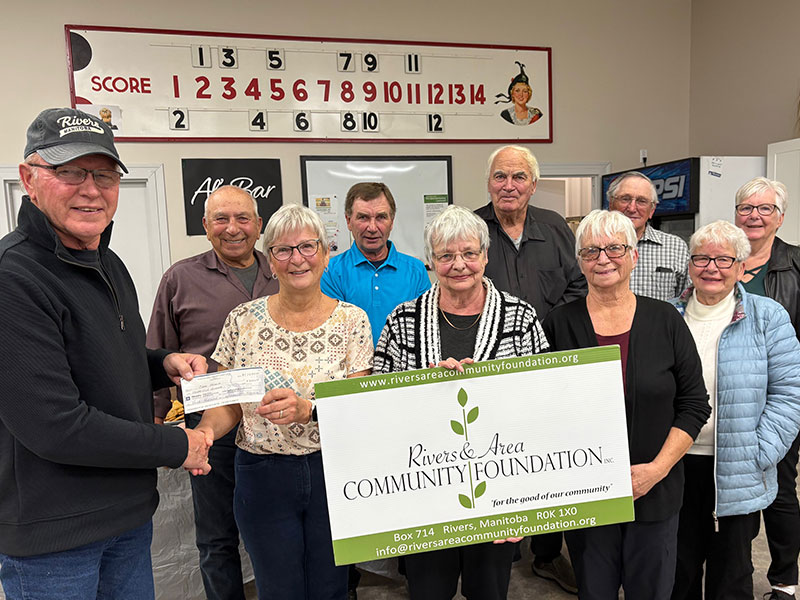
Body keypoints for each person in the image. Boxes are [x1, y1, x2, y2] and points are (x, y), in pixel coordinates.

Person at [0, 107, 211, 600]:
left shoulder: (107, 261)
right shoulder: (14, 278)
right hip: (56, 539)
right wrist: (176, 445)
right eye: (71, 172)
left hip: (127, 519)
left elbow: (103, 359)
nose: (91, 190)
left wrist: (162, 363)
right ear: (30, 179)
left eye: (104, 175)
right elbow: (55, 425)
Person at [194, 204, 373, 600]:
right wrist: (205, 431)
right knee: (278, 589)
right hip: (262, 473)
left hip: (332, 471)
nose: (297, 259)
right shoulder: (242, 320)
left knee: (331, 588)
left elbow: (357, 406)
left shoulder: (353, 321)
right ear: (270, 261)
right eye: (283, 250)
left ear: (325, 254)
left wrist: (308, 410)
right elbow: (227, 402)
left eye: (308, 247)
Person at [374, 205, 549, 600]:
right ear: (431, 260)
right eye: (446, 255)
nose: (459, 265)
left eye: (469, 253)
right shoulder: (403, 321)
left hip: (498, 492)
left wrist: (527, 501)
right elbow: (380, 406)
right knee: (427, 592)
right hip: (423, 493)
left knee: (489, 592)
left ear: (485, 256)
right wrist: (428, 388)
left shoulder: (520, 317)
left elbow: (542, 406)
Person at [543, 209, 709, 600]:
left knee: (651, 591)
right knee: (594, 591)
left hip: (655, 492)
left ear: (634, 255)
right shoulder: (558, 324)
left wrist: (656, 470)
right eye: (591, 250)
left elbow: (694, 405)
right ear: (579, 261)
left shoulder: (666, 320)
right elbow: (539, 410)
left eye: (615, 248)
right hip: (587, 495)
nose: (603, 259)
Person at [146, 185, 279, 600]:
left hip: (275, 425)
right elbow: (158, 349)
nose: (232, 228)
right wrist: (155, 419)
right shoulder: (180, 279)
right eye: (221, 219)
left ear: (259, 225)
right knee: (216, 536)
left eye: (243, 218)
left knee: (275, 530)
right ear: (205, 226)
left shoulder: (283, 271)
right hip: (210, 426)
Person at [668, 220, 800, 600]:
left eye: (724, 259)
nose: (712, 267)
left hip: (739, 466)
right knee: (678, 569)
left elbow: (789, 393)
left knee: (732, 575)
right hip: (675, 464)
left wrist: (759, 452)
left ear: (742, 267)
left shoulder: (767, 316)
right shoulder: (667, 316)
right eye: (702, 258)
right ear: (690, 265)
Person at [475, 144, 586, 593]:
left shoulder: (556, 227)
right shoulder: (473, 228)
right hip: (490, 373)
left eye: (518, 177)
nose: (509, 185)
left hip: (549, 365)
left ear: (533, 185)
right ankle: (495, 546)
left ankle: (546, 553)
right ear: (489, 183)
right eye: (500, 176)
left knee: (546, 458)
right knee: (496, 456)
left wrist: (540, 328)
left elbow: (578, 285)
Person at [733, 177, 800, 600]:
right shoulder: (721, 255)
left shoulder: (796, 264)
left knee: (780, 487)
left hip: (779, 398)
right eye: (746, 208)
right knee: (734, 488)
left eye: (765, 209)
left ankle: (785, 581)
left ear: (780, 217)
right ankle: (734, 572)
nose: (754, 216)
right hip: (731, 398)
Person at [321, 181, 430, 346]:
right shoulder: (330, 271)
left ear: (392, 221)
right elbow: (333, 334)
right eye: (363, 217)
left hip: (402, 362)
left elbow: (424, 330)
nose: (372, 228)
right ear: (348, 221)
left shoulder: (416, 271)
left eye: (381, 217)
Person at [607, 171, 689, 301]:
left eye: (642, 201)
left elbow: (687, 299)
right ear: (611, 204)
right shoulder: (593, 246)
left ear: (652, 209)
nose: (632, 208)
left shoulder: (676, 247)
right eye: (625, 199)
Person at [496, 62, 543, 126]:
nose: (521, 95)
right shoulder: (505, 114)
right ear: (512, 93)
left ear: (529, 93)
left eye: (525, 91)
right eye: (517, 91)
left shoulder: (536, 114)